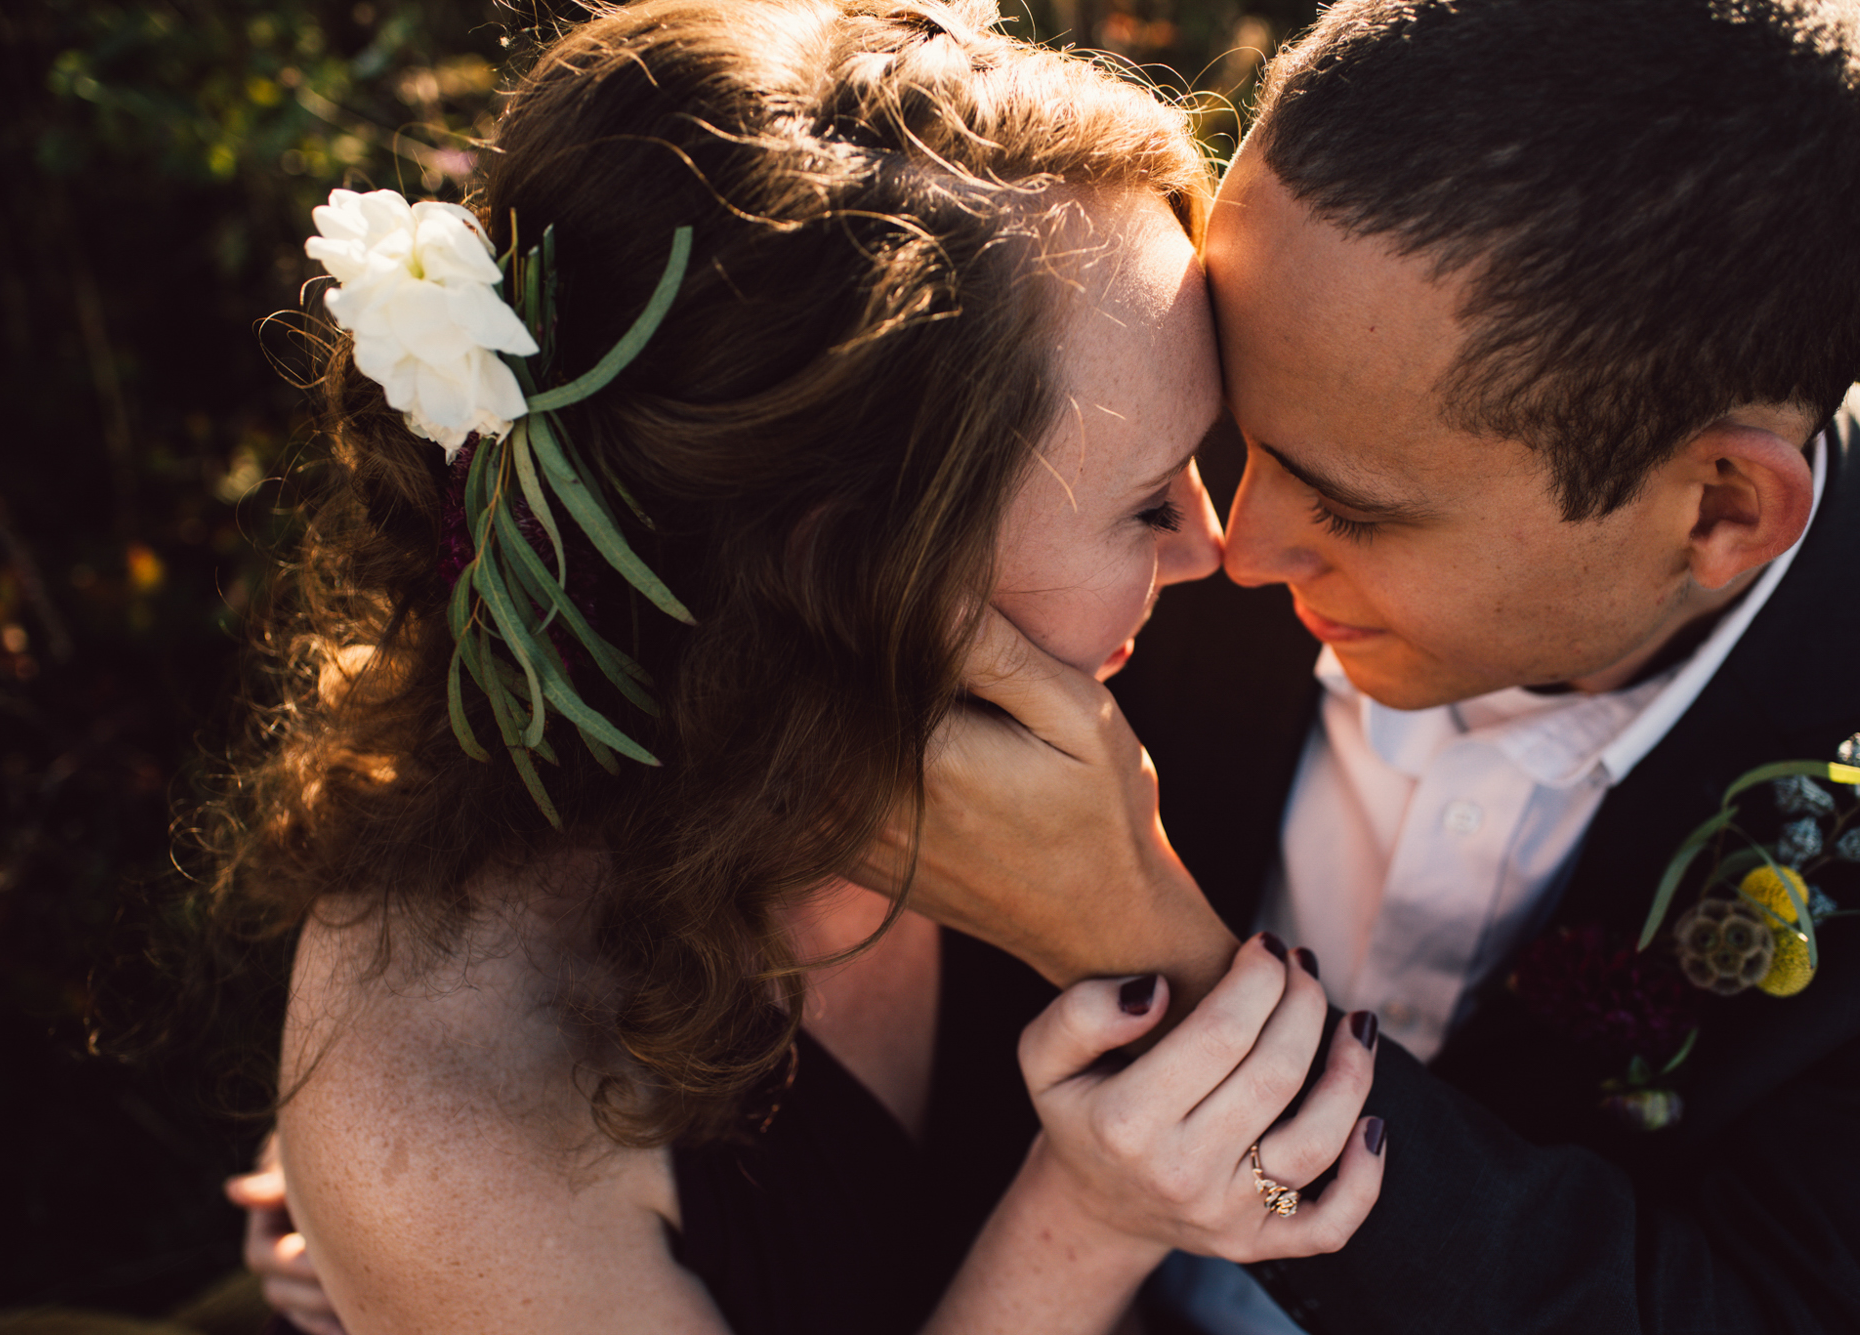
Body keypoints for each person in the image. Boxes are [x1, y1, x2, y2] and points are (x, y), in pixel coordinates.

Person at [199, 3, 1388, 1334]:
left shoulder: (1073, 666)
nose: (1222, 550)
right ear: (851, 564)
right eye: (1146, 504)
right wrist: (1090, 1222)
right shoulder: (462, 1109)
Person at [889, 0, 1860, 1331]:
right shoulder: (1177, 458)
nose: (1232, 548)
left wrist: (1131, 938)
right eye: (1242, 438)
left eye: (1351, 508)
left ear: (1718, 513)